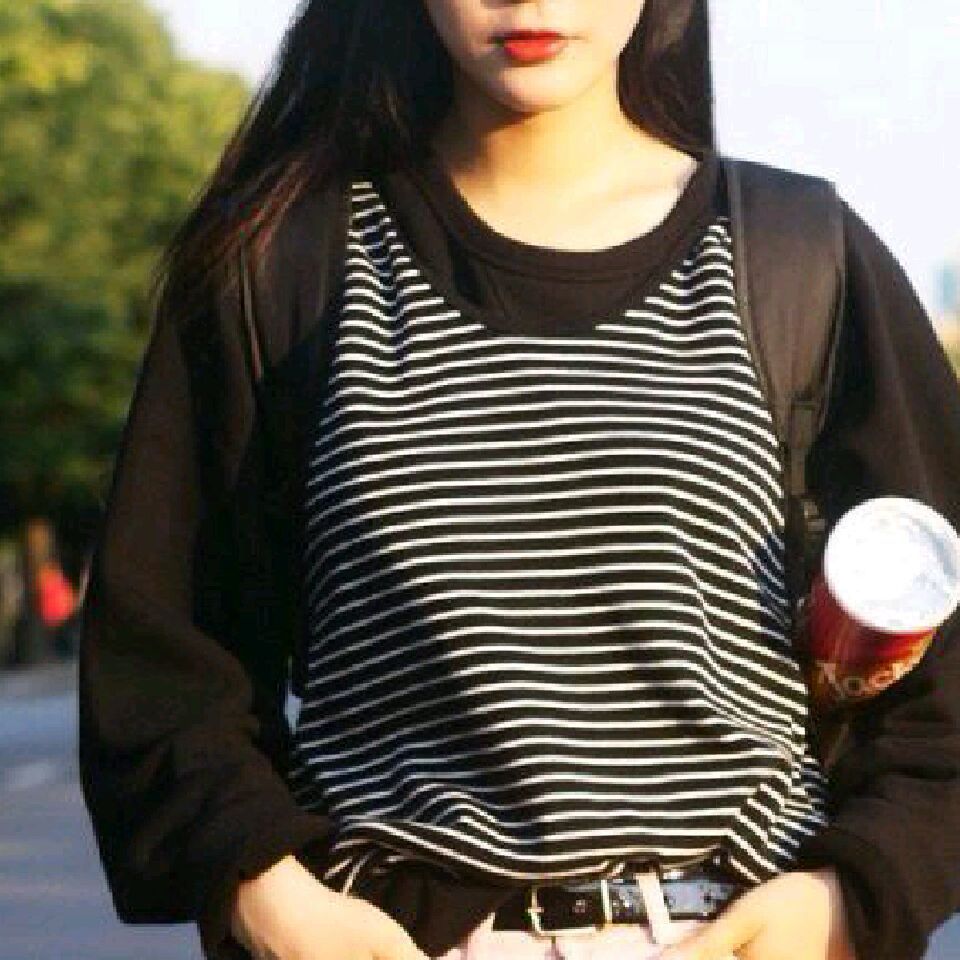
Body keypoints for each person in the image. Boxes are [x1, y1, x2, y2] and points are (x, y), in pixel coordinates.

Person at [77, 3, 960, 960]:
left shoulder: (802, 256)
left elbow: (944, 677)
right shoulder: (278, 264)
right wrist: (266, 894)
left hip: (738, 924)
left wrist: (846, 899)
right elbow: (164, 656)